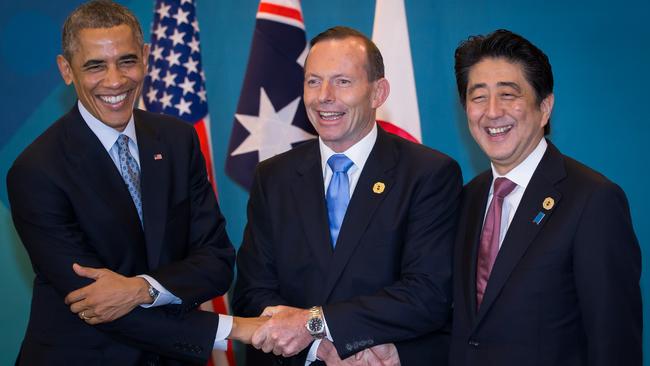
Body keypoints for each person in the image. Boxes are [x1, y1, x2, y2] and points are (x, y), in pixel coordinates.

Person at [7, 1, 262, 365]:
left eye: (126, 60)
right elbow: (96, 304)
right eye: (95, 66)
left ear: (145, 56)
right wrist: (232, 329)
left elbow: (217, 261)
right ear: (66, 70)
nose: (115, 80)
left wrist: (140, 289)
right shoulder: (37, 170)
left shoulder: (177, 140)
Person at [232, 26, 462, 365]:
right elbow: (252, 293)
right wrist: (319, 346)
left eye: (343, 81)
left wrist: (318, 325)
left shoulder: (428, 174)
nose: (324, 95)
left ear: (377, 93)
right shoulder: (273, 176)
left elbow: (426, 295)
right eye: (313, 81)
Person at [450, 29, 642, 366]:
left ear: (544, 107)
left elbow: (614, 343)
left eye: (509, 94)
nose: (492, 112)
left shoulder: (593, 201)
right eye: (478, 96)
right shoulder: (468, 197)